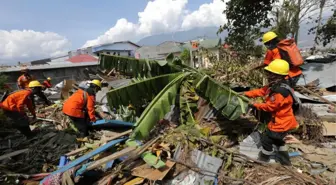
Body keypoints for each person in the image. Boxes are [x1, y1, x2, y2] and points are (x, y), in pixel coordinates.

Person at [243, 59, 299, 165]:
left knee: (267, 140)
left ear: (277, 75)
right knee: (279, 142)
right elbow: (261, 91)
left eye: (270, 74)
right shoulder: (275, 85)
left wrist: (254, 105)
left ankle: (263, 159)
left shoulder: (280, 92)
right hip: (280, 121)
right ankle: (285, 162)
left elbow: (270, 107)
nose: (268, 75)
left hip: (281, 122)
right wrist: (246, 94)